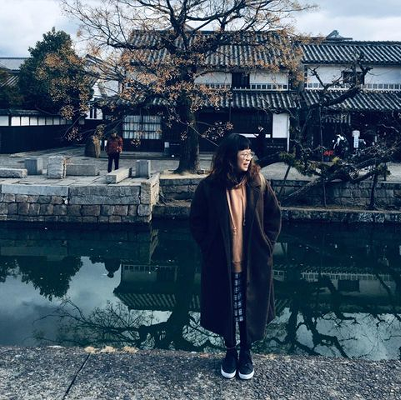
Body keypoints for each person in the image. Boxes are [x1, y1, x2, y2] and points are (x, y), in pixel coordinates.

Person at [189, 133, 281, 380]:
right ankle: (230, 351)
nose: (248, 158)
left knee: (248, 309)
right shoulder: (210, 186)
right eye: (244, 154)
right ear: (230, 156)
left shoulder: (258, 182)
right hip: (222, 262)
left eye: (250, 154)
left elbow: (274, 216)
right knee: (227, 308)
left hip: (253, 261)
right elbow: (196, 221)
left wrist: (266, 244)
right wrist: (208, 247)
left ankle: (246, 352)